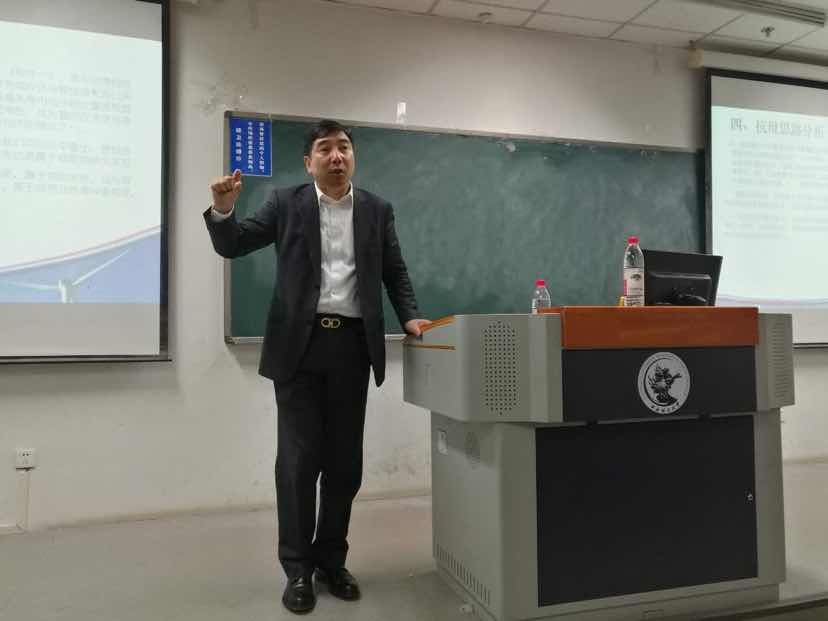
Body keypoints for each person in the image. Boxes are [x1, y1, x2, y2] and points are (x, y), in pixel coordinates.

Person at [204, 119, 430, 614]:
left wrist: (410, 317)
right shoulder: (286, 203)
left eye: (343, 147)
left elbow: (394, 271)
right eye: (325, 149)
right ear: (309, 162)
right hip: (299, 350)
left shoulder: (376, 210)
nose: (336, 156)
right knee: (298, 464)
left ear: (353, 157)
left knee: (344, 466)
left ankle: (331, 560)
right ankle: (297, 570)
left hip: (352, 347)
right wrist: (223, 210)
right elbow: (234, 243)